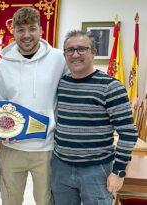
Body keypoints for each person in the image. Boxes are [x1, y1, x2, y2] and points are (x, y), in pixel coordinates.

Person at [51, 30, 137, 205]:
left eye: (82, 49)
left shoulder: (111, 87)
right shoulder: (61, 84)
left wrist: (119, 171)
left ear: (94, 52)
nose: (75, 55)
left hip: (96, 170)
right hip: (61, 167)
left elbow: (128, 133)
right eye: (70, 50)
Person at [0, 7, 67, 205]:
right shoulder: (4, 64)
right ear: (13, 32)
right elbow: (0, 103)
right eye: (20, 30)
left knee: (46, 201)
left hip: (47, 147)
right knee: (10, 200)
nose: (26, 35)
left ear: (41, 31)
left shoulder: (59, 59)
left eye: (32, 29)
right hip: (12, 147)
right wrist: (1, 131)